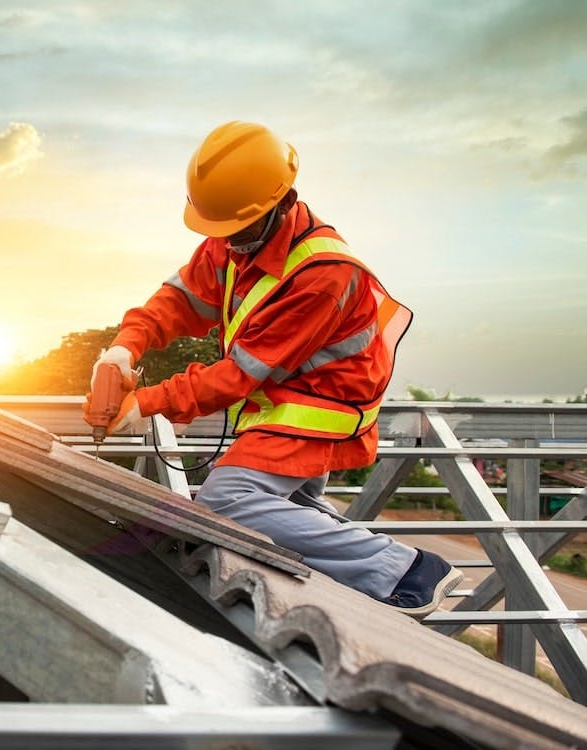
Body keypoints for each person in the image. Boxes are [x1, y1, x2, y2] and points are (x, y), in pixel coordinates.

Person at [85, 120, 461, 617]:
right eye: (220, 230)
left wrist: (147, 402)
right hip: (278, 406)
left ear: (282, 203)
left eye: (238, 230)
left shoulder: (324, 273)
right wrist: (123, 350)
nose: (228, 242)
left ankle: (405, 570)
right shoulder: (236, 233)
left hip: (320, 409)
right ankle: (354, 582)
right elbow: (178, 299)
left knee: (227, 500)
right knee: (290, 513)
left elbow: (240, 373)